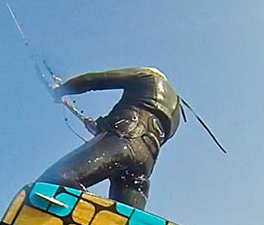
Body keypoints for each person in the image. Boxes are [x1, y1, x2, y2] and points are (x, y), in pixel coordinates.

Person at [38, 67, 181, 209]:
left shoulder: (147, 77)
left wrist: (61, 89)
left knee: (56, 180)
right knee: (125, 218)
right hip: (145, 162)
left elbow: (94, 80)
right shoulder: (177, 113)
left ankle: (79, 212)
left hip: (123, 141)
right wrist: (100, 127)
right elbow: (147, 128)